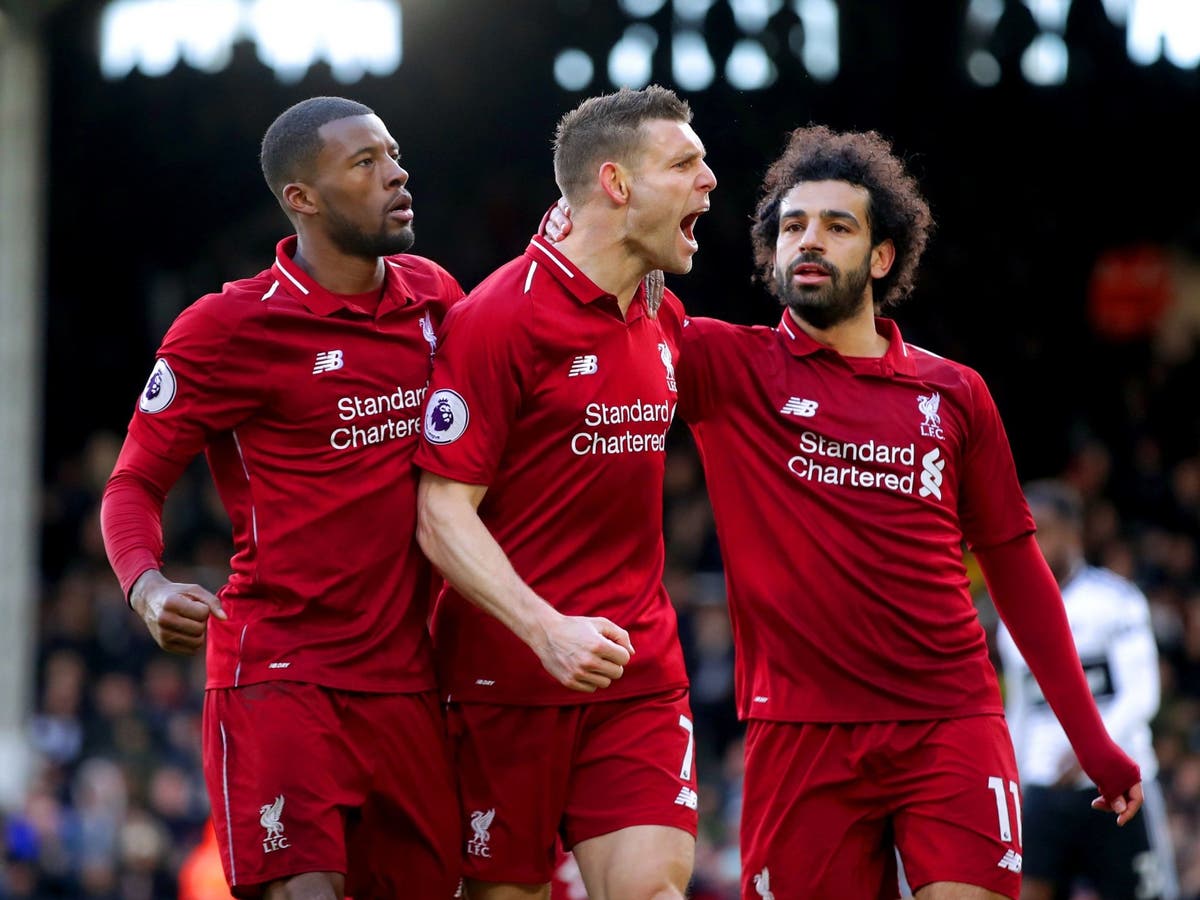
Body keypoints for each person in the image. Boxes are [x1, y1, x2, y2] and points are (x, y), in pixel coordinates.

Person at [667, 125, 1143, 899]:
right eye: (793, 226)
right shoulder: (725, 365)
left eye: (836, 225)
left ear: (882, 257)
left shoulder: (955, 393)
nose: (809, 241)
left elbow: (1018, 571)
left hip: (950, 720)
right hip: (801, 733)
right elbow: (610, 306)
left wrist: (1091, 741)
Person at [100, 96, 463, 900]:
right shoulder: (226, 328)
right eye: (364, 163)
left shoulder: (435, 297)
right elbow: (133, 482)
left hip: (410, 678)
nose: (397, 174)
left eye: (394, 154)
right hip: (282, 671)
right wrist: (146, 585)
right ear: (301, 198)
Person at [413, 84, 715, 900]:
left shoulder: (662, 314)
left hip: (636, 669)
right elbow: (441, 514)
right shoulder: (500, 318)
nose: (709, 179)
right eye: (685, 163)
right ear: (616, 184)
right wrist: (545, 631)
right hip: (504, 679)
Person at [997, 479, 1178, 900]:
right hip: (1044, 788)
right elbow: (1021, 708)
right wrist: (1019, 778)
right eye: (1028, 530)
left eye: (1043, 529)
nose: (1034, 541)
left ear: (1072, 532)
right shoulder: (1014, 615)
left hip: (1118, 784)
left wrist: (1089, 752)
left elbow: (1142, 693)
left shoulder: (1116, 600)